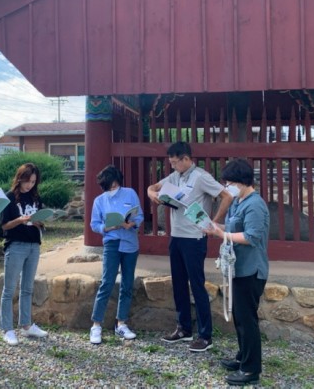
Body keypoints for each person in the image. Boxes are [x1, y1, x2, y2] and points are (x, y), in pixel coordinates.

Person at [147, 141, 233, 353]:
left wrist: (214, 221)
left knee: (196, 284)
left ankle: (205, 335)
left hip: (194, 237)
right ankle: (183, 328)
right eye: (171, 163)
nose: (173, 166)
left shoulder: (201, 176)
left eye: (176, 162)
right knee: (178, 284)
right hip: (176, 236)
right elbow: (153, 187)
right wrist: (152, 193)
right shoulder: (175, 177)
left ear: (186, 159)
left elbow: (226, 196)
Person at [203, 158, 270, 386]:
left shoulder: (255, 204)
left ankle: (251, 369)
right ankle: (243, 358)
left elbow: (251, 237)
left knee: (247, 319)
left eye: (230, 181)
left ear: (242, 181)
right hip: (237, 268)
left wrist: (222, 235)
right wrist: (214, 227)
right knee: (240, 318)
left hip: (251, 270)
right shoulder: (238, 202)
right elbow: (231, 228)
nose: (228, 186)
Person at [88, 165, 144, 344]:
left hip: (130, 243)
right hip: (111, 243)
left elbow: (139, 215)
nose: (112, 188)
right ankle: (96, 325)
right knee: (107, 282)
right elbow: (94, 224)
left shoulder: (130, 193)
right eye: (108, 185)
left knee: (127, 284)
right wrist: (107, 227)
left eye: (114, 184)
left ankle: (121, 324)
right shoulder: (99, 200)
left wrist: (132, 223)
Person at [0, 162, 49, 345]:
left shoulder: (36, 198)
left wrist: (39, 222)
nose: (30, 185)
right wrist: (20, 220)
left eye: (33, 181)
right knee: (9, 288)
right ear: (20, 179)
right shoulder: (9, 197)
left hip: (34, 245)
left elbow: (39, 220)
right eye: (27, 181)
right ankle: (7, 328)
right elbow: (4, 225)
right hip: (16, 245)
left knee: (28, 287)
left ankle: (26, 325)